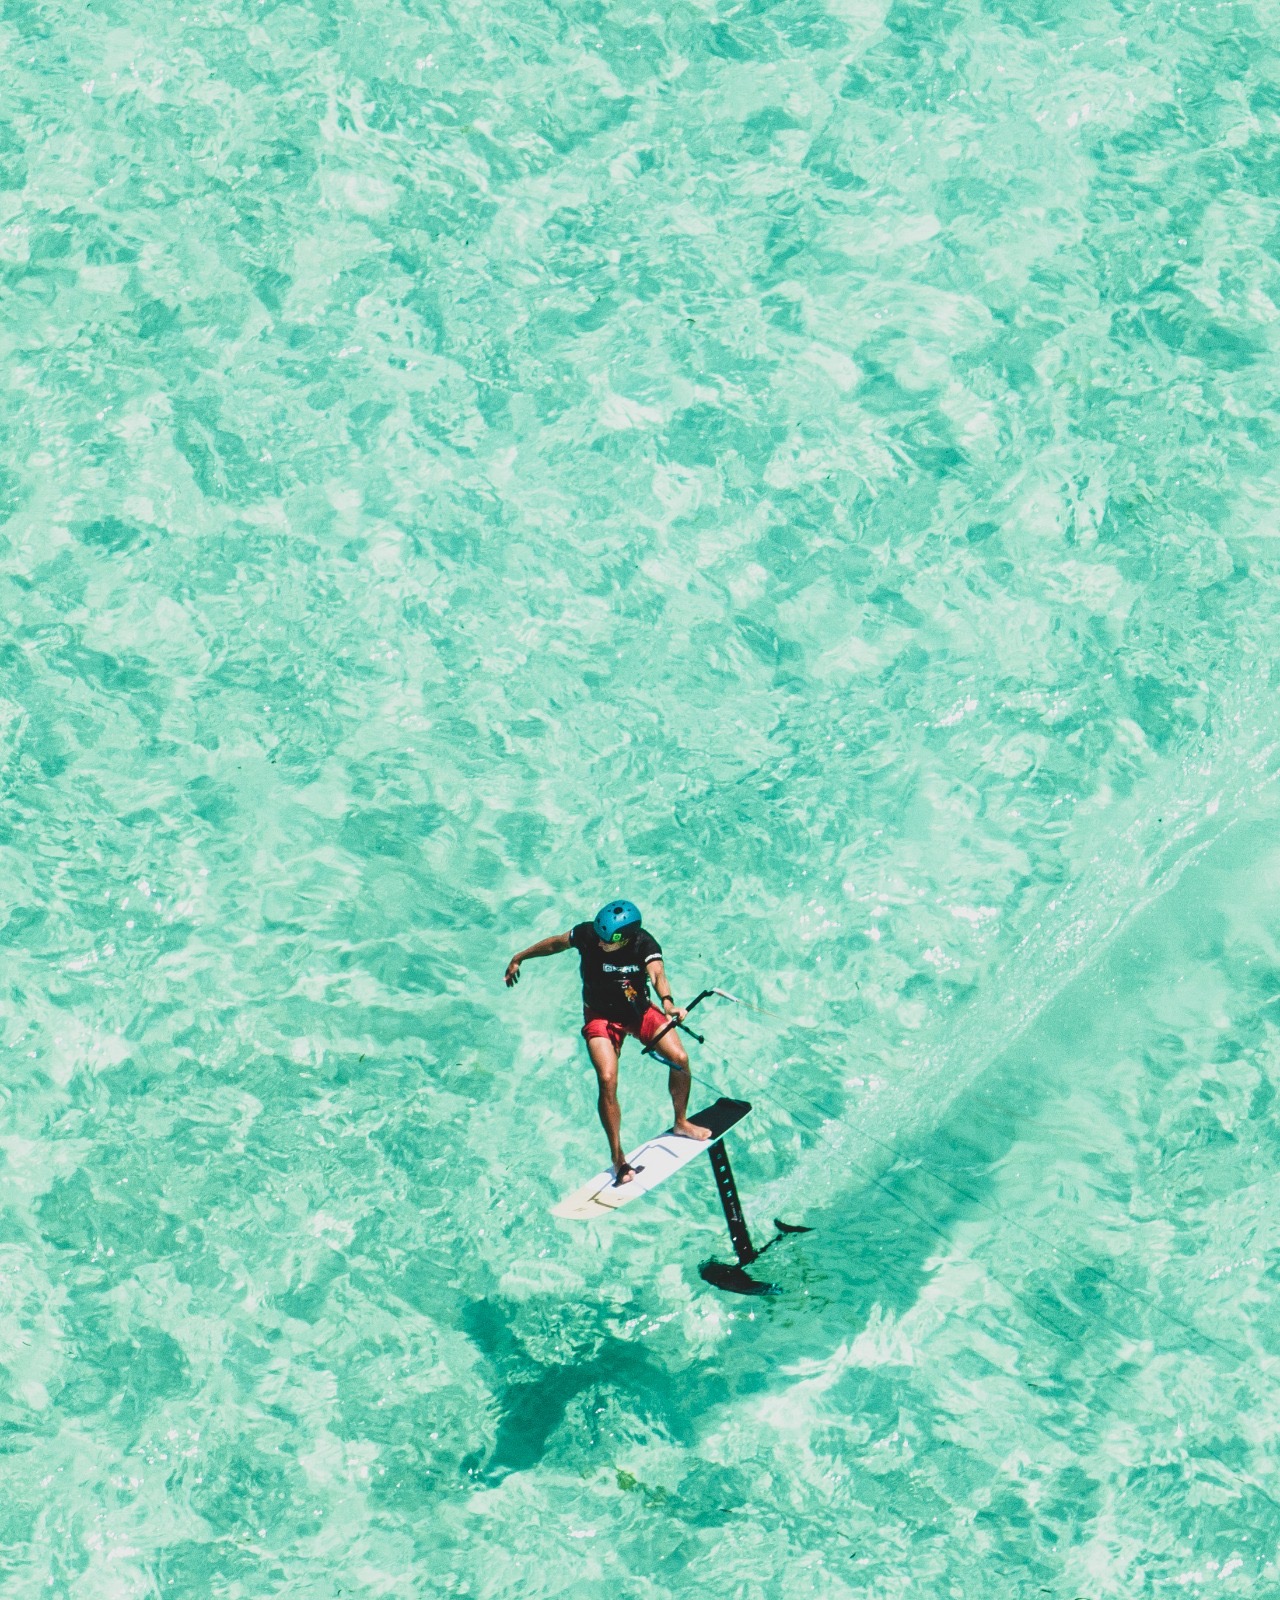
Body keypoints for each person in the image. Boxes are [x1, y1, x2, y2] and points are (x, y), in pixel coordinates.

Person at [505, 900, 711, 1184]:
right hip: (599, 1015)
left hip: (638, 1012)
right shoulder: (588, 934)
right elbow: (555, 944)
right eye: (599, 937)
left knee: (680, 1059)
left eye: (607, 941)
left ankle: (681, 1122)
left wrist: (667, 1002)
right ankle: (618, 1158)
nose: (599, 944)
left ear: (625, 937)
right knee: (607, 1077)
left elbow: (657, 973)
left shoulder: (644, 944)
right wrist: (520, 956)